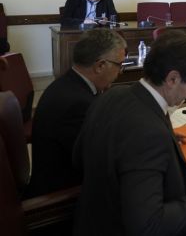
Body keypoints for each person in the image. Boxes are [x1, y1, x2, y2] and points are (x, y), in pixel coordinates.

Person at [73, 31, 186, 236]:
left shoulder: (113, 94)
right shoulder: (149, 134)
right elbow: (148, 225)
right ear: (173, 78)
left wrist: (166, 138)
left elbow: (79, 157)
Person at [28, 29, 126, 198]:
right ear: (100, 66)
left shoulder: (68, 83)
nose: (121, 72)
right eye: (119, 65)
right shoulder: (76, 105)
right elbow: (101, 161)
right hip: (61, 198)